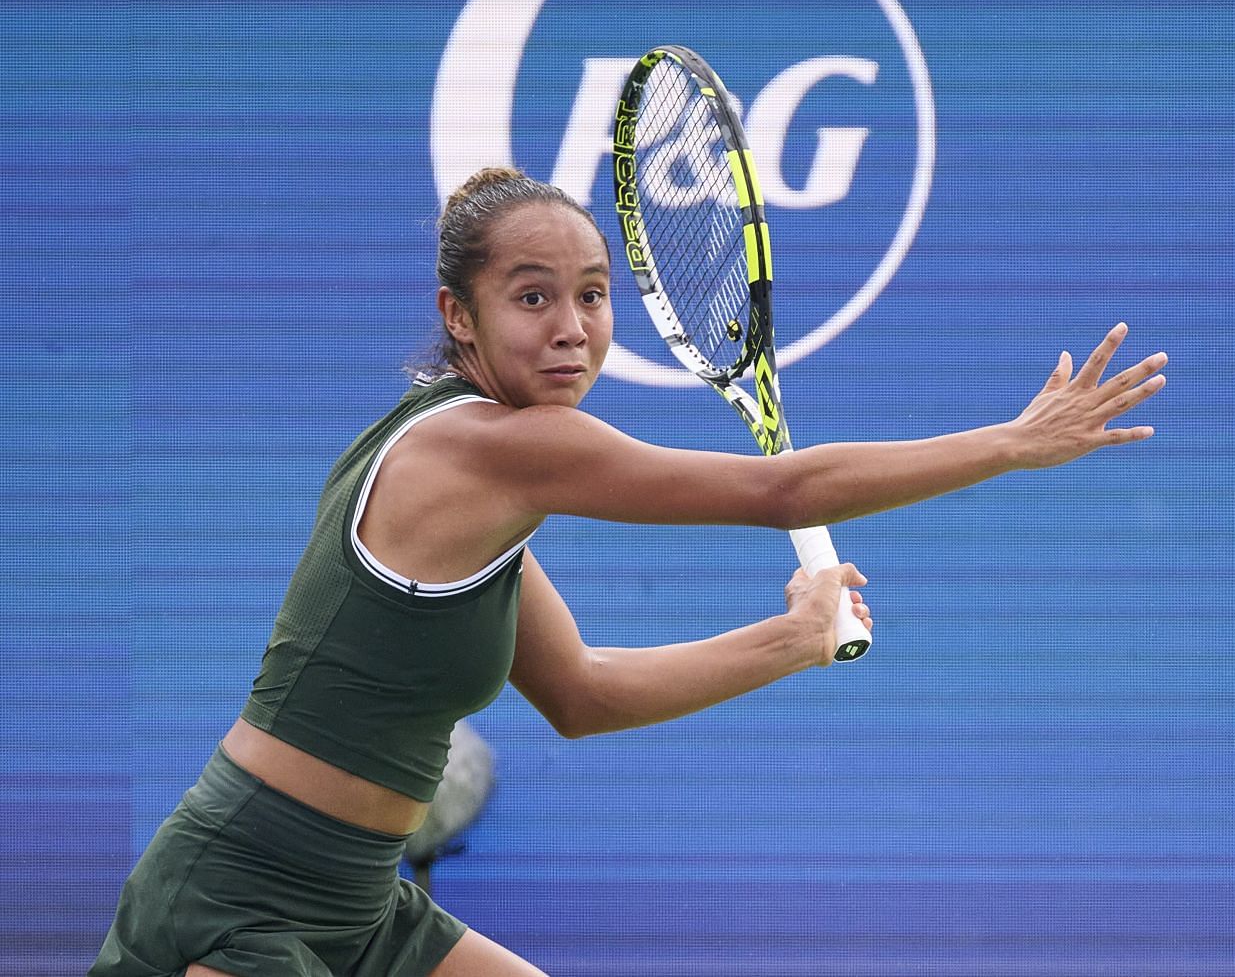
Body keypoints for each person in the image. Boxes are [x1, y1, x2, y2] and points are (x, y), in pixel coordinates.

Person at [93, 166, 1167, 977]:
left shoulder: (492, 489)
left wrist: (791, 639)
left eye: (593, 295)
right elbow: (784, 492)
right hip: (240, 897)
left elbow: (583, 696)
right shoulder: (493, 448)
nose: (572, 330)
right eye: (532, 299)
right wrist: (1013, 443)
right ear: (456, 316)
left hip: (359, 902)